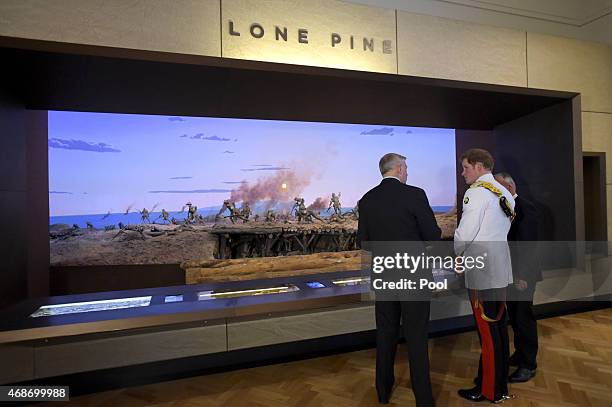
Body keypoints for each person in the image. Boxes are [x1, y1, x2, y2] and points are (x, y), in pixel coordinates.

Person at [358, 153, 440, 406]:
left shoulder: (367, 199)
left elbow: (365, 243)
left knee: (385, 333)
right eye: (406, 168)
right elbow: (432, 235)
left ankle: (383, 392)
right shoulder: (415, 194)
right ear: (399, 168)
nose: (408, 173)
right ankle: (423, 398)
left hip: (384, 274)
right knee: (416, 335)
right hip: (414, 274)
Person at [454, 148, 515, 403]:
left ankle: (490, 391)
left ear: (479, 167)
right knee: (498, 329)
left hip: (481, 270)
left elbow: (465, 234)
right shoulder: (504, 192)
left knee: (487, 334)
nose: (462, 172)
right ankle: (498, 384)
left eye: (466, 167)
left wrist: (457, 253)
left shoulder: (477, 192)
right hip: (500, 268)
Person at [494, 172, 542, 383]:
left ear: (510, 187)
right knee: (514, 317)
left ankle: (528, 365)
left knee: (523, 319)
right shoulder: (507, 207)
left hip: (523, 275)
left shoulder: (525, 207)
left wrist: (522, 275)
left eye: (498, 187)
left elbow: (528, 245)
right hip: (510, 274)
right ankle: (520, 355)